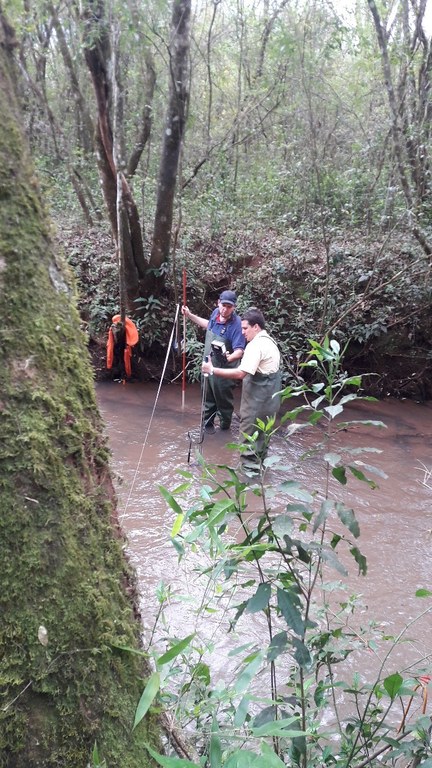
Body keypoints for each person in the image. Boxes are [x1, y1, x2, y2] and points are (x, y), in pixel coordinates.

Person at [202, 307, 282, 465]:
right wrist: (229, 357)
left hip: (256, 407)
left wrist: (212, 370)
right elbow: (255, 362)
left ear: (256, 327)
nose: (243, 332)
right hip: (270, 406)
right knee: (261, 446)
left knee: (248, 449)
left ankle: (247, 484)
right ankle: (260, 484)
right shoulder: (270, 342)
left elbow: (240, 373)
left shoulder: (255, 346)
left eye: (245, 328)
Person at [182, 290, 245, 433]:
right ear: (218, 303)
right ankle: (207, 429)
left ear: (234, 307)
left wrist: (230, 357)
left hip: (224, 372)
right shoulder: (215, 313)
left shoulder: (237, 324)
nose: (225, 309)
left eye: (229, 307)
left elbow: (240, 350)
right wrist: (190, 315)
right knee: (207, 400)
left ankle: (224, 432)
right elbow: (208, 325)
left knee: (224, 404)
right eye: (223, 305)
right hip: (207, 367)